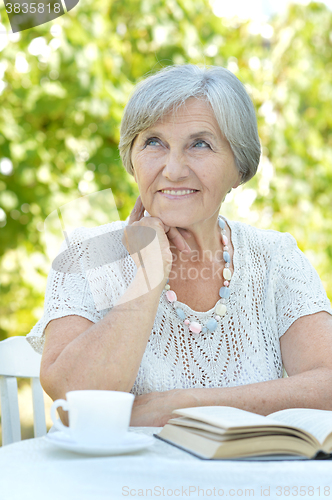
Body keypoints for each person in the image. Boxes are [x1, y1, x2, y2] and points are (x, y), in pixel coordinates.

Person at [27, 64, 332, 427]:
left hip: (251, 481)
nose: (173, 169)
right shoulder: (86, 254)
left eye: (199, 144)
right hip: (118, 482)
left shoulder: (275, 258)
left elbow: (326, 384)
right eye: (154, 142)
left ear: (239, 166)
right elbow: (73, 396)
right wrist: (149, 274)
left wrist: (188, 405)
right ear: (132, 158)